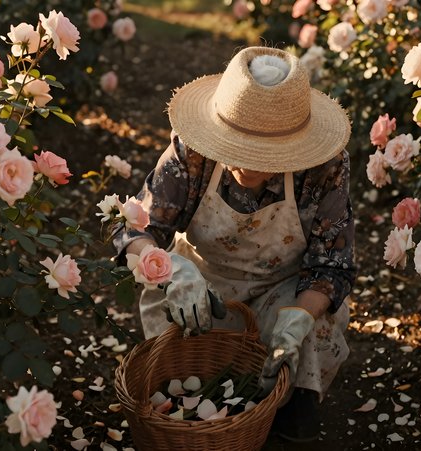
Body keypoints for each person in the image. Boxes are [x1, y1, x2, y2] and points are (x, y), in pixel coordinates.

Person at [112, 46, 355, 443]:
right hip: (202, 288)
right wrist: (173, 271)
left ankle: (288, 418)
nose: (244, 164)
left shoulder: (326, 167)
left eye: (264, 155)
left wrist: (299, 316)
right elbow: (133, 228)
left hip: (284, 287)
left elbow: (332, 265)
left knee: (311, 331)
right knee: (191, 380)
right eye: (235, 148)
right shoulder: (191, 152)